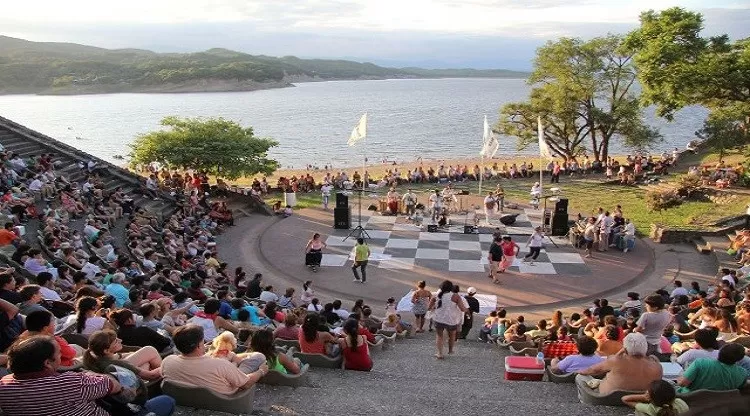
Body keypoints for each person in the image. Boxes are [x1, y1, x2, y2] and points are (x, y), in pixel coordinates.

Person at [161, 324, 268, 395]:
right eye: (203, 341)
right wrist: (261, 371)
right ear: (198, 345)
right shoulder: (220, 364)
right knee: (259, 357)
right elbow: (246, 384)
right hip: (227, 400)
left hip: (188, 398)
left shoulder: (167, 361)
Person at [576, 333, 663, 395]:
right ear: (646, 348)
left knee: (580, 376)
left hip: (607, 398)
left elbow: (591, 370)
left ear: (624, 349)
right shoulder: (657, 366)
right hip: (640, 398)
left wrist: (578, 371)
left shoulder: (615, 361)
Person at [676, 343, 748, 393]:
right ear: (739, 359)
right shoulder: (743, 373)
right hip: (719, 405)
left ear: (720, 352)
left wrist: (682, 374)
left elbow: (682, 383)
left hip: (689, 400)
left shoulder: (700, 363)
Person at [429, 280, 467, 359]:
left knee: (439, 336)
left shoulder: (435, 295)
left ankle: (439, 353)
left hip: (438, 318)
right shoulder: (456, 296)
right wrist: (467, 310)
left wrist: (434, 307)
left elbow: (429, 308)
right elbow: (462, 309)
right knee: (452, 335)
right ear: (451, 288)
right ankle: (450, 350)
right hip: (451, 320)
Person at [622, 379, 689, 416]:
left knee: (639, 411)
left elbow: (625, 399)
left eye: (647, 392)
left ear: (651, 398)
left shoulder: (651, 409)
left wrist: (643, 397)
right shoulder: (681, 402)